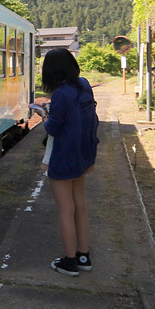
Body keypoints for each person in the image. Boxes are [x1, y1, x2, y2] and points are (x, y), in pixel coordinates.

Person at [40, 48, 100, 277]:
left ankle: (69, 261)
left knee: (65, 209)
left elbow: (53, 128)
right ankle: (84, 256)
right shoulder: (84, 84)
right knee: (79, 206)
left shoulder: (60, 95)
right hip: (84, 154)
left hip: (64, 157)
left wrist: (44, 115)